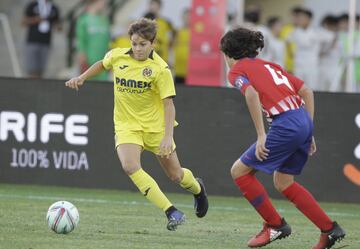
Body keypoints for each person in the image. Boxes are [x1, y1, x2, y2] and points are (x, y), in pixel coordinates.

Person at [65, 18, 208, 231]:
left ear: (153, 43)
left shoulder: (161, 69)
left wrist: (168, 136)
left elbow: (168, 106)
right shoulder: (117, 56)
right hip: (126, 126)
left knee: (176, 175)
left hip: (156, 129)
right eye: (134, 43)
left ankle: (197, 189)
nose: (138, 48)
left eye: (143, 44)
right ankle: (171, 211)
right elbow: (103, 64)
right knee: (130, 166)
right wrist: (83, 77)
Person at [219, 27, 345, 249]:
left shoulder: (237, 70)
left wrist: (261, 135)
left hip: (285, 124)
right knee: (283, 181)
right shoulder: (271, 65)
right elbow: (307, 91)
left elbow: (251, 94)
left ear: (228, 54)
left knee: (239, 172)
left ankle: (274, 225)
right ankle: (329, 229)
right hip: (302, 121)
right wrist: (309, 130)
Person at [22, 0, 61, 78]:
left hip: (46, 42)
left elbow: (58, 24)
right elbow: (23, 22)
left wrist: (58, 26)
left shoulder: (54, 7)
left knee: (41, 69)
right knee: (32, 69)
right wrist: (35, 19)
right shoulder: (33, 5)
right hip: (32, 41)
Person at [76, 0, 110, 81]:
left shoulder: (104, 20)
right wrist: (81, 55)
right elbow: (80, 39)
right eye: (101, 2)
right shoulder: (83, 20)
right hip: (89, 59)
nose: (104, 4)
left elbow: (107, 40)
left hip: (103, 60)